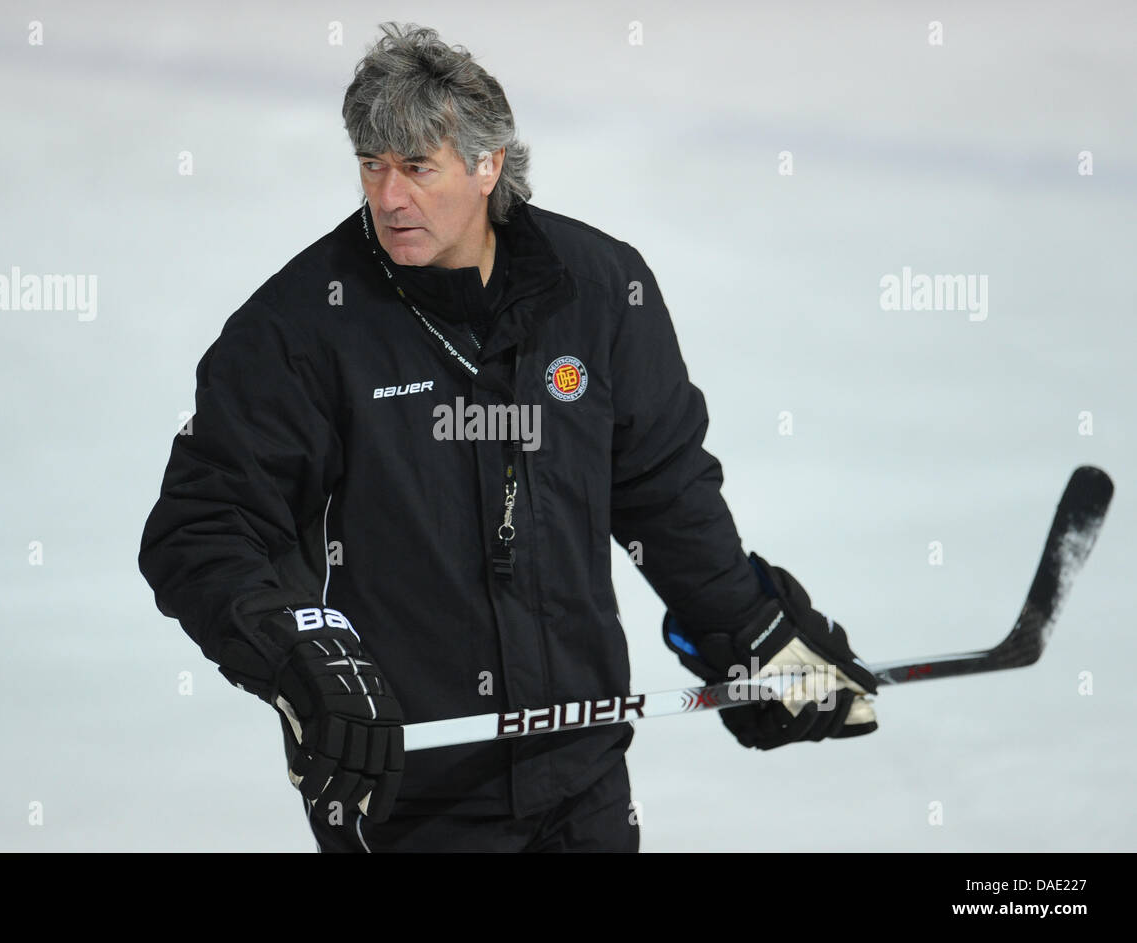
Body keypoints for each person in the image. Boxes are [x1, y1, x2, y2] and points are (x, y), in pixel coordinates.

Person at [137, 21, 878, 854]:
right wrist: (304, 656)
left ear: (488, 165)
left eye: (417, 167)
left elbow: (664, 495)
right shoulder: (300, 329)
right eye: (371, 165)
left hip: (581, 773)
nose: (388, 196)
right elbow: (205, 526)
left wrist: (752, 634)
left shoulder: (599, 293)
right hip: (403, 791)